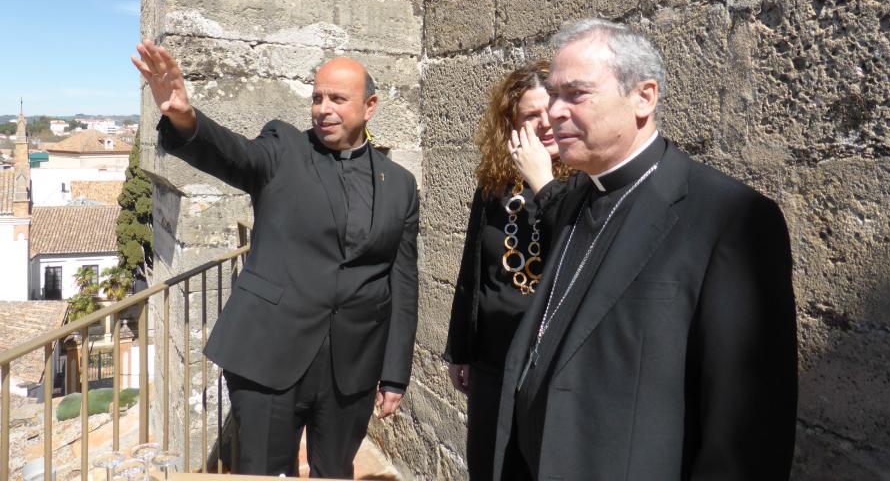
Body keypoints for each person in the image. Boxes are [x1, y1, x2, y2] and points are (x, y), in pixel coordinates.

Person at [494, 19, 797, 480]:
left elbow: (746, 432)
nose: (554, 111)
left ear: (644, 97)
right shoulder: (575, 197)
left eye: (576, 94)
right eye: (554, 94)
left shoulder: (729, 219)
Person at [131, 40, 419, 479]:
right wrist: (183, 117)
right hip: (269, 353)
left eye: (338, 99)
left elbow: (402, 280)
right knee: (263, 472)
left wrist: (395, 374)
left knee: (335, 472)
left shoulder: (400, 184)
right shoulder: (283, 147)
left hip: (352, 368)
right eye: (318, 97)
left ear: (370, 105)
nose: (324, 109)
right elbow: (233, 153)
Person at [443, 62, 572, 480]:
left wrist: (544, 183)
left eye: (551, 108)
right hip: (493, 359)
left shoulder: (584, 185)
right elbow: (471, 272)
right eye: (531, 116)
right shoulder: (493, 187)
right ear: (512, 126)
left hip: (548, 360)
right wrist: (460, 350)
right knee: (490, 464)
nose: (545, 122)